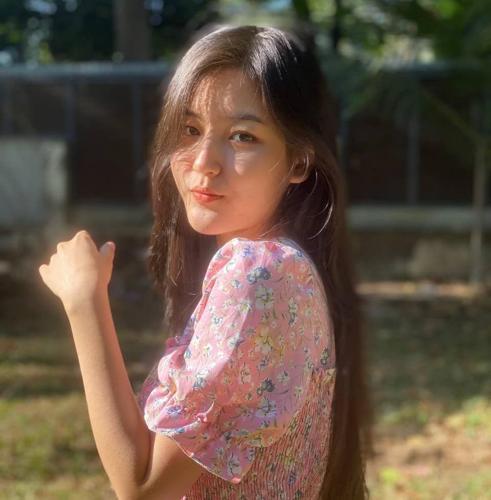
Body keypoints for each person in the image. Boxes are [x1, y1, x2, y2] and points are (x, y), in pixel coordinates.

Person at [39, 24, 372, 500]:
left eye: (242, 136)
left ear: (299, 161)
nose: (203, 162)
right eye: (191, 130)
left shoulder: (258, 273)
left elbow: (142, 486)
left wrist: (84, 301)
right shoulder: (291, 268)